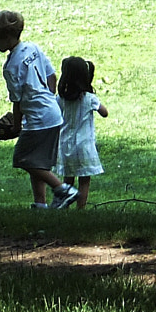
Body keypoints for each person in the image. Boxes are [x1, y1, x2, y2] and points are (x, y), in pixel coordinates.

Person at [0, 10, 77, 208]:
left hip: (37, 120)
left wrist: (17, 126)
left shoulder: (11, 66)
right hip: (52, 114)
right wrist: (47, 100)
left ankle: (63, 190)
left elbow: (17, 101)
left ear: (7, 37)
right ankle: (40, 204)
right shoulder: (32, 48)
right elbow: (51, 76)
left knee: (24, 159)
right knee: (39, 163)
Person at [55, 56, 108, 207]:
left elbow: (55, 115)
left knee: (68, 179)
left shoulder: (61, 99)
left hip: (65, 144)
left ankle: (64, 205)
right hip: (84, 146)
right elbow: (105, 112)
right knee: (84, 180)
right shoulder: (90, 98)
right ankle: (80, 209)